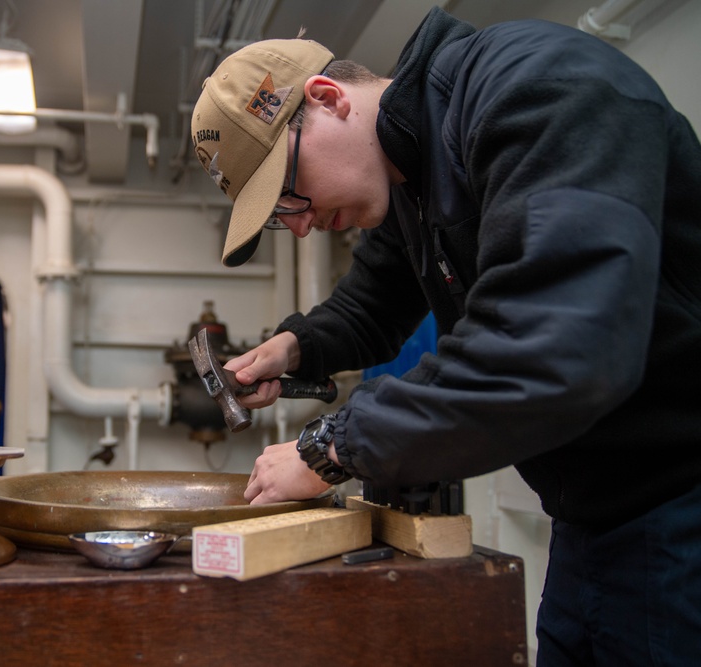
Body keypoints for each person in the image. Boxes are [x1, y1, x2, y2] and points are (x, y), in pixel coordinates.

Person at [189, 7, 700, 666]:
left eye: (290, 194)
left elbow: (554, 346)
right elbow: (373, 302)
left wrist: (327, 449)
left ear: (327, 98)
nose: (306, 224)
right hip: (591, 520)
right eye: (285, 217)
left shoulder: (533, 89)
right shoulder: (410, 177)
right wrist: (295, 348)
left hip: (681, 506)